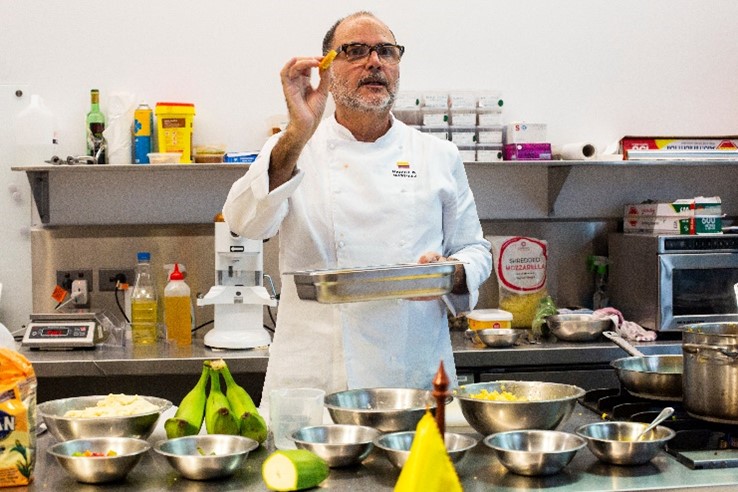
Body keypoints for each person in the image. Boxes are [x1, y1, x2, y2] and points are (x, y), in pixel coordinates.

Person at [223, 11, 492, 399]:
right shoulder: (294, 148)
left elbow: (475, 249)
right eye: (355, 51)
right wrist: (298, 130)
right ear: (326, 71)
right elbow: (244, 223)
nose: (374, 62)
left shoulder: (438, 155)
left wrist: (452, 272)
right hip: (317, 375)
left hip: (411, 369)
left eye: (386, 51)